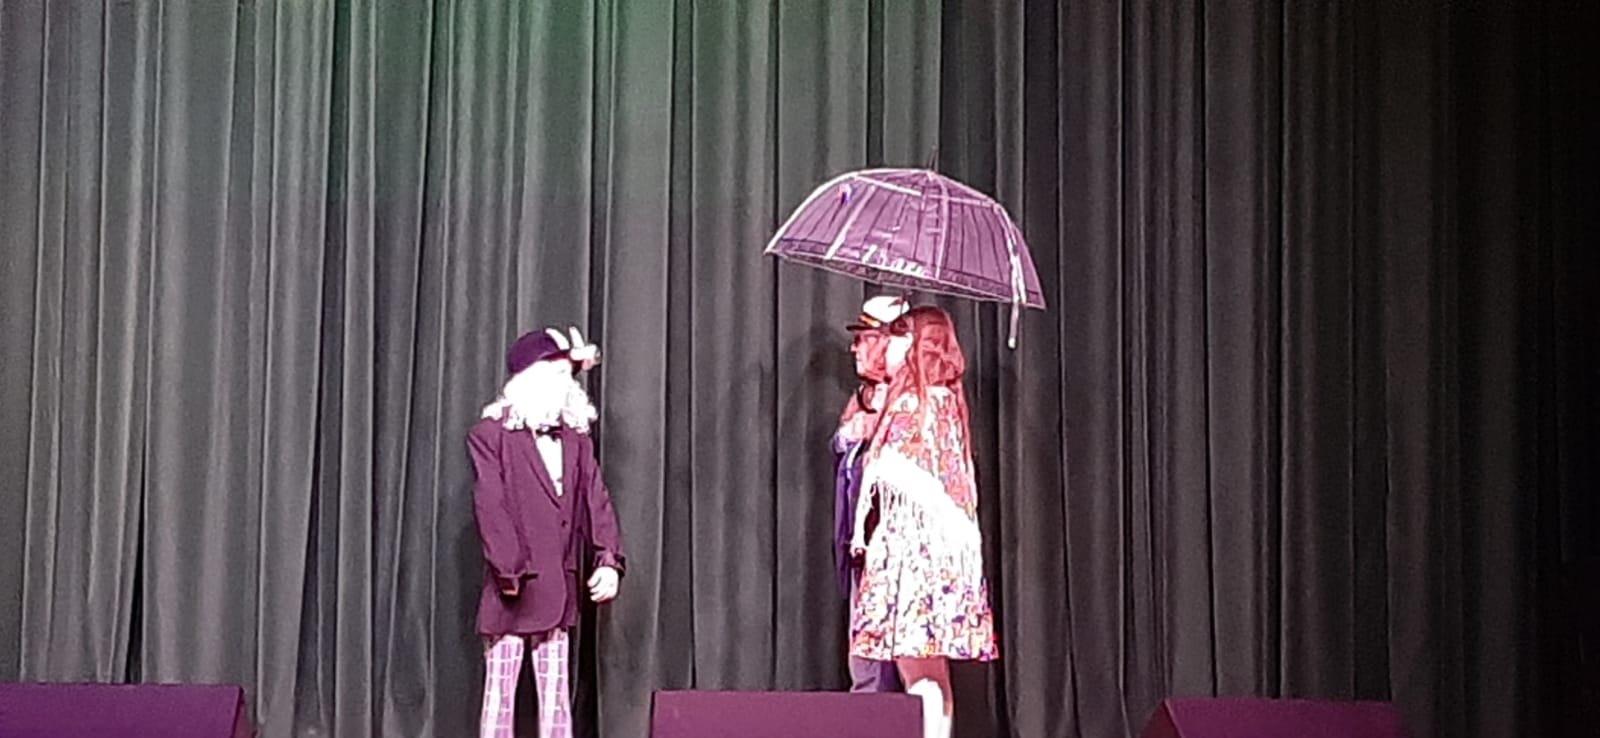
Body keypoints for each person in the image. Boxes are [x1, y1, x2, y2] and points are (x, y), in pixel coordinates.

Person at [468, 326, 625, 738]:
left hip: (559, 586)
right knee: (500, 695)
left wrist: (608, 559)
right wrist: (509, 570)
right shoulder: (491, 437)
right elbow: (491, 506)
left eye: (567, 376)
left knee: (556, 695)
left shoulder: (576, 441)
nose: (564, 385)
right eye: (555, 374)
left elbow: (596, 499)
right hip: (514, 588)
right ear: (528, 379)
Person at [848, 306, 998, 738]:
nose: (889, 348)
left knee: (920, 668)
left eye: (898, 337)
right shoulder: (945, 400)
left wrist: (875, 444)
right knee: (929, 670)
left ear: (915, 345)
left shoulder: (914, 403)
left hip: (915, 553)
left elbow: (900, 471)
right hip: (939, 549)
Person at [833, 295, 910, 694]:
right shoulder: (865, 396)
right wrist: (853, 431)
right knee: (864, 649)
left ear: (886, 341)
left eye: (863, 338)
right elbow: (842, 444)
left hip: (899, 547)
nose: (855, 348)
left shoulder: (915, 401)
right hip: (861, 541)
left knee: (904, 652)